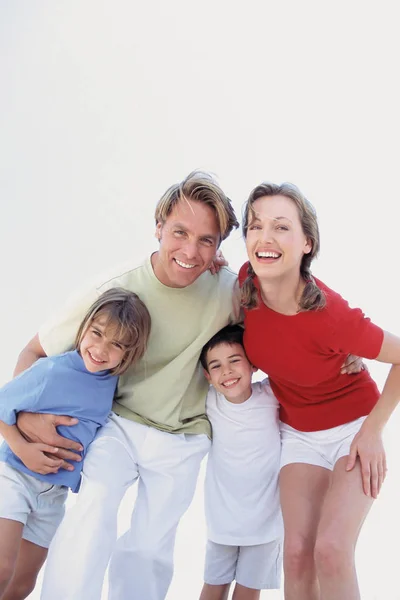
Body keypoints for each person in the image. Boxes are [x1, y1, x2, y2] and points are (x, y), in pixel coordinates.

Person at [12, 171, 240, 600]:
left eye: (206, 240)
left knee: (150, 545)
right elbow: (33, 353)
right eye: (179, 232)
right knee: (93, 508)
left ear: (218, 247)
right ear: (158, 228)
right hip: (116, 423)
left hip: (185, 434)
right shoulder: (114, 289)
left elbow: (282, 323)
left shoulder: (229, 291)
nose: (190, 251)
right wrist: (25, 419)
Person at [238, 181, 400, 600]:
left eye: (281, 227)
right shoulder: (244, 286)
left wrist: (372, 431)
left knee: (330, 550)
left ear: (307, 243)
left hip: (353, 430)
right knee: (295, 554)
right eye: (255, 227)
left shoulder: (331, 315)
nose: (265, 238)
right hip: (298, 435)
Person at [0, 288, 151, 600]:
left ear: (129, 353)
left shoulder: (112, 385)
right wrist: (22, 447)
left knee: (22, 584)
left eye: (117, 344)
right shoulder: (53, 370)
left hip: (53, 496)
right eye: (96, 334)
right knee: (2, 567)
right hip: (14, 477)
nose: (100, 348)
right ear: (83, 328)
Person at [198, 325, 282, 600]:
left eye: (235, 361)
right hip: (222, 521)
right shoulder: (209, 402)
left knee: (247, 593)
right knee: (213, 588)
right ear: (208, 377)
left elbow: (302, 367)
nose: (227, 372)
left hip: (266, 522)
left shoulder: (273, 395)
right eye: (217, 366)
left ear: (252, 364)